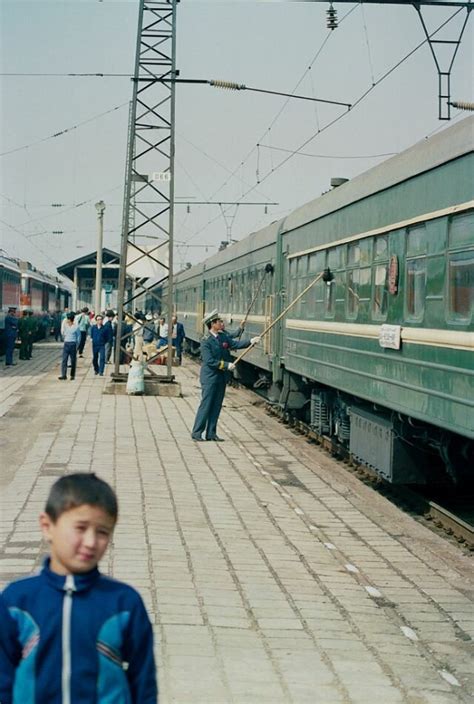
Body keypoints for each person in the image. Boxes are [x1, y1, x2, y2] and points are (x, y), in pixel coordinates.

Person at [0, 473, 158, 703]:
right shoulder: (16, 601)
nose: (91, 542)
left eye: (102, 532)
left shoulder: (124, 603)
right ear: (47, 526)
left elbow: (143, 681)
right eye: (80, 528)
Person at [191, 309, 260, 442]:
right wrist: (226, 365)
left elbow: (235, 344)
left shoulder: (223, 337)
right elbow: (209, 361)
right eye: (219, 321)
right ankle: (197, 432)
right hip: (210, 378)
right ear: (213, 324)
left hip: (221, 378)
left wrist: (251, 341)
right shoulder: (206, 341)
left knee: (217, 405)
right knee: (206, 405)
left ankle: (211, 433)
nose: (222, 323)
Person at [59, 311, 80, 380]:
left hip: (73, 344)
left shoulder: (76, 327)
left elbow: (79, 337)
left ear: (71, 319)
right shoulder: (65, 325)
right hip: (66, 344)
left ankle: (72, 375)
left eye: (68, 319)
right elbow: (63, 333)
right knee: (64, 360)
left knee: (73, 360)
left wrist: (77, 345)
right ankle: (63, 375)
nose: (67, 320)